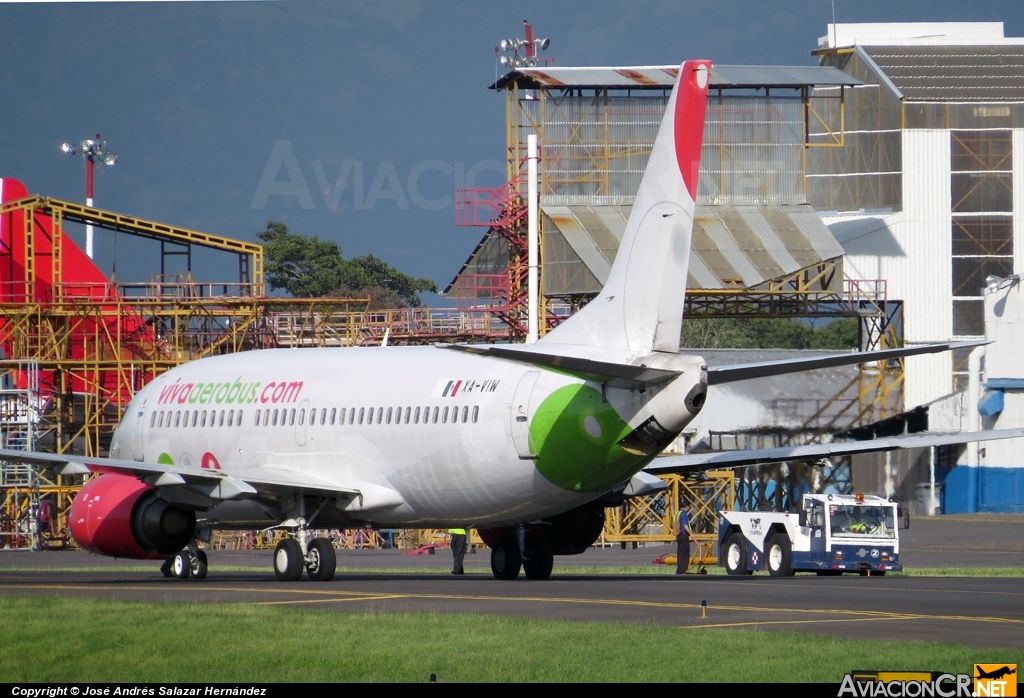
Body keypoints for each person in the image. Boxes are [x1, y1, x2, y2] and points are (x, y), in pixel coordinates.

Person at [673, 505, 697, 574]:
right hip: (683, 535)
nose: (690, 509)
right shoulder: (683, 514)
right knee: (684, 553)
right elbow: (685, 525)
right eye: (689, 507)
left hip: (678, 535)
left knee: (680, 553)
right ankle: (682, 569)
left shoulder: (678, 513)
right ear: (686, 506)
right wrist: (691, 533)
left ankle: (679, 569)